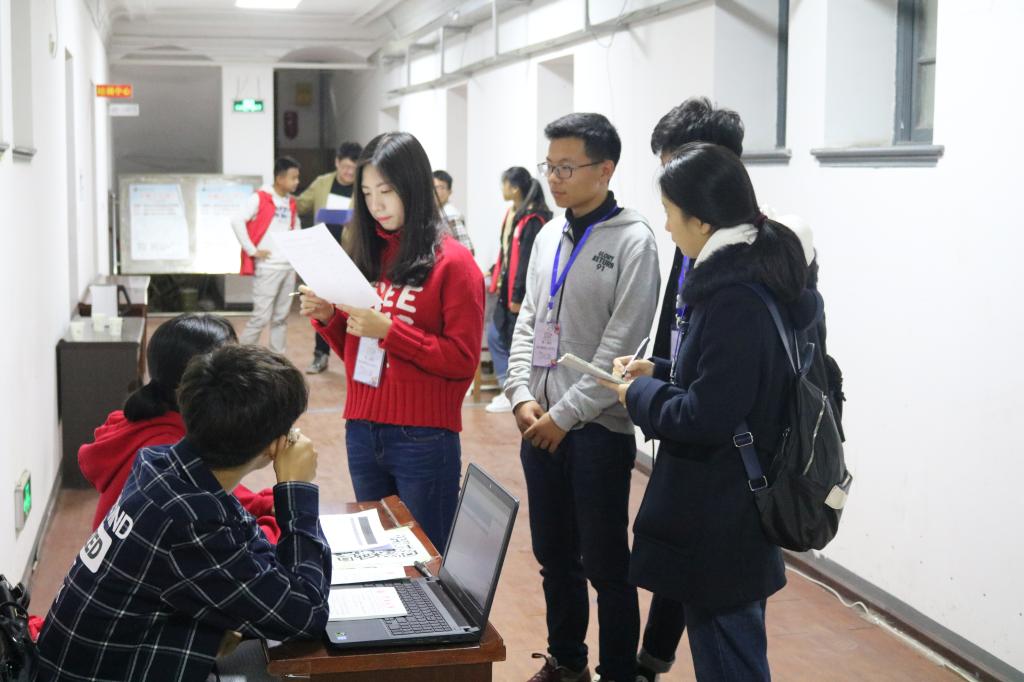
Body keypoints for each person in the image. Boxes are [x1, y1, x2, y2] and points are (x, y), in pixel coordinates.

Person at [604, 142, 819, 681]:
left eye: (671, 214)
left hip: (721, 515)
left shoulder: (733, 297)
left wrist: (637, 395)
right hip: (732, 507)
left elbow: (706, 416)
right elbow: (729, 385)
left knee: (729, 662)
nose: (667, 227)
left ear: (701, 220)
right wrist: (660, 371)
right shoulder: (757, 275)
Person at [37, 344, 331, 681]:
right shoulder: (189, 518)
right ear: (273, 445)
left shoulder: (163, 465)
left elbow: (254, 556)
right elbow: (306, 614)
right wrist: (296, 488)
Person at [504, 113, 660, 682]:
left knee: (606, 566)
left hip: (597, 431)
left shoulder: (635, 241)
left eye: (567, 168)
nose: (554, 179)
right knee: (554, 558)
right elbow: (528, 321)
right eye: (550, 167)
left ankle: (617, 673)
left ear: (605, 169)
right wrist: (520, 395)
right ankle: (567, 661)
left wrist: (564, 416)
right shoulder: (549, 233)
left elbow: (621, 347)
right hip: (538, 422)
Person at [299, 132, 484, 549]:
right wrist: (330, 319)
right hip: (362, 429)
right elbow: (358, 352)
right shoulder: (369, 255)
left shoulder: (454, 264)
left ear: (413, 187)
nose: (376, 205)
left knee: (426, 558)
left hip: (423, 436)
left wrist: (390, 331)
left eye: (386, 191)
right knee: (379, 555)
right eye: (366, 194)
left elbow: (461, 360)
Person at [78, 313, 281, 543]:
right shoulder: (167, 451)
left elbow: (228, 496)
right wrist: (292, 498)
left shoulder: (155, 423)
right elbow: (242, 548)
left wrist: (270, 504)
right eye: (231, 369)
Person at [648, 97, 746, 361]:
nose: (667, 183)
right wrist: (657, 371)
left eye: (673, 170)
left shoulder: (748, 266)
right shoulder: (693, 233)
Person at [484, 166, 552, 414]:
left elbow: (525, 261)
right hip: (509, 291)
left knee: (515, 341)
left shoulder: (534, 219)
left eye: (504, 184)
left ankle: (515, 390)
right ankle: (511, 388)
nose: (502, 189)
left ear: (514, 188)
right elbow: (508, 252)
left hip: (521, 294)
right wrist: (495, 270)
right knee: (497, 335)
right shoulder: (516, 214)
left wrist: (517, 294)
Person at [297, 142, 364, 374]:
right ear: (336, 162)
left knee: (352, 306)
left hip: (351, 254)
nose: (349, 172)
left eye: (353, 168)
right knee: (321, 305)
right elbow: (300, 204)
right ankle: (321, 355)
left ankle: (355, 358)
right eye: (345, 167)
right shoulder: (322, 183)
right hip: (323, 254)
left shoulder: (363, 188)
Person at [232, 156, 301, 354]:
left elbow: (295, 229)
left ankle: (277, 357)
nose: (297, 182)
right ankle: (239, 357)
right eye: (293, 178)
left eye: (297, 177)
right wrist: (252, 250)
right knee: (260, 317)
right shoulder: (260, 198)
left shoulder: (290, 202)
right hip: (268, 268)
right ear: (279, 178)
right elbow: (236, 220)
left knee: (281, 318)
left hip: (288, 268)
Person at [432, 169, 475, 254]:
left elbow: (468, 250)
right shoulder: (436, 212)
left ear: (450, 191)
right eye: (434, 187)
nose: (437, 191)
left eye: (441, 187)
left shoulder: (451, 215)